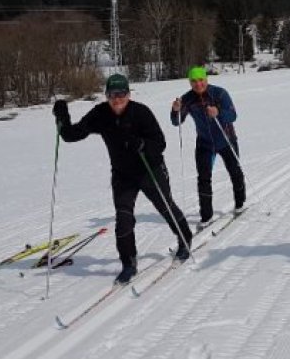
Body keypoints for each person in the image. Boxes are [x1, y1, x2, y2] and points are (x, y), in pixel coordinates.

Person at [53, 73, 193, 284]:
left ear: (128, 94)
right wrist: (62, 118)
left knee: (165, 205)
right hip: (123, 174)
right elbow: (72, 135)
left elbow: (160, 143)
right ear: (106, 96)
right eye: (112, 95)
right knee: (123, 217)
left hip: (150, 169)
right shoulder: (100, 114)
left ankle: (185, 239)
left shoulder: (141, 112)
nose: (117, 99)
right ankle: (129, 263)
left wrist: (142, 145)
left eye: (122, 94)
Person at [171, 66, 246, 229]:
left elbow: (233, 115)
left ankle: (240, 204)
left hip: (226, 140)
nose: (198, 84)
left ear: (206, 79)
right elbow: (177, 121)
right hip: (204, 143)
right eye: (194, 81)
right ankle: (206, 216)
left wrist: (218, 112)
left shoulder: (220, 93)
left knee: (235, 172)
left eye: (201, 80)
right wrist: (175, 110)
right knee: (204, 178)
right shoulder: (187, 98)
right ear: (190, 83)